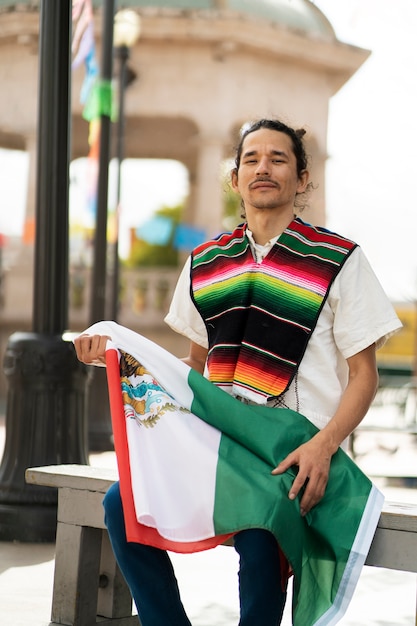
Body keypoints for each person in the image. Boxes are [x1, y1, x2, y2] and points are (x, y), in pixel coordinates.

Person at [74, 118, 401, 626]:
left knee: (262, 527)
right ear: (235, 179)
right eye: (251, 159)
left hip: (292, 451)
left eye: (278, 158)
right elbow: (195, 371)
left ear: (302, 178)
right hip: (217, 441)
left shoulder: (339, 260)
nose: (263, 168)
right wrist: (114, 359)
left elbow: (364, 376)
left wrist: (323, 445)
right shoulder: (206, 262)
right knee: (123, 502)